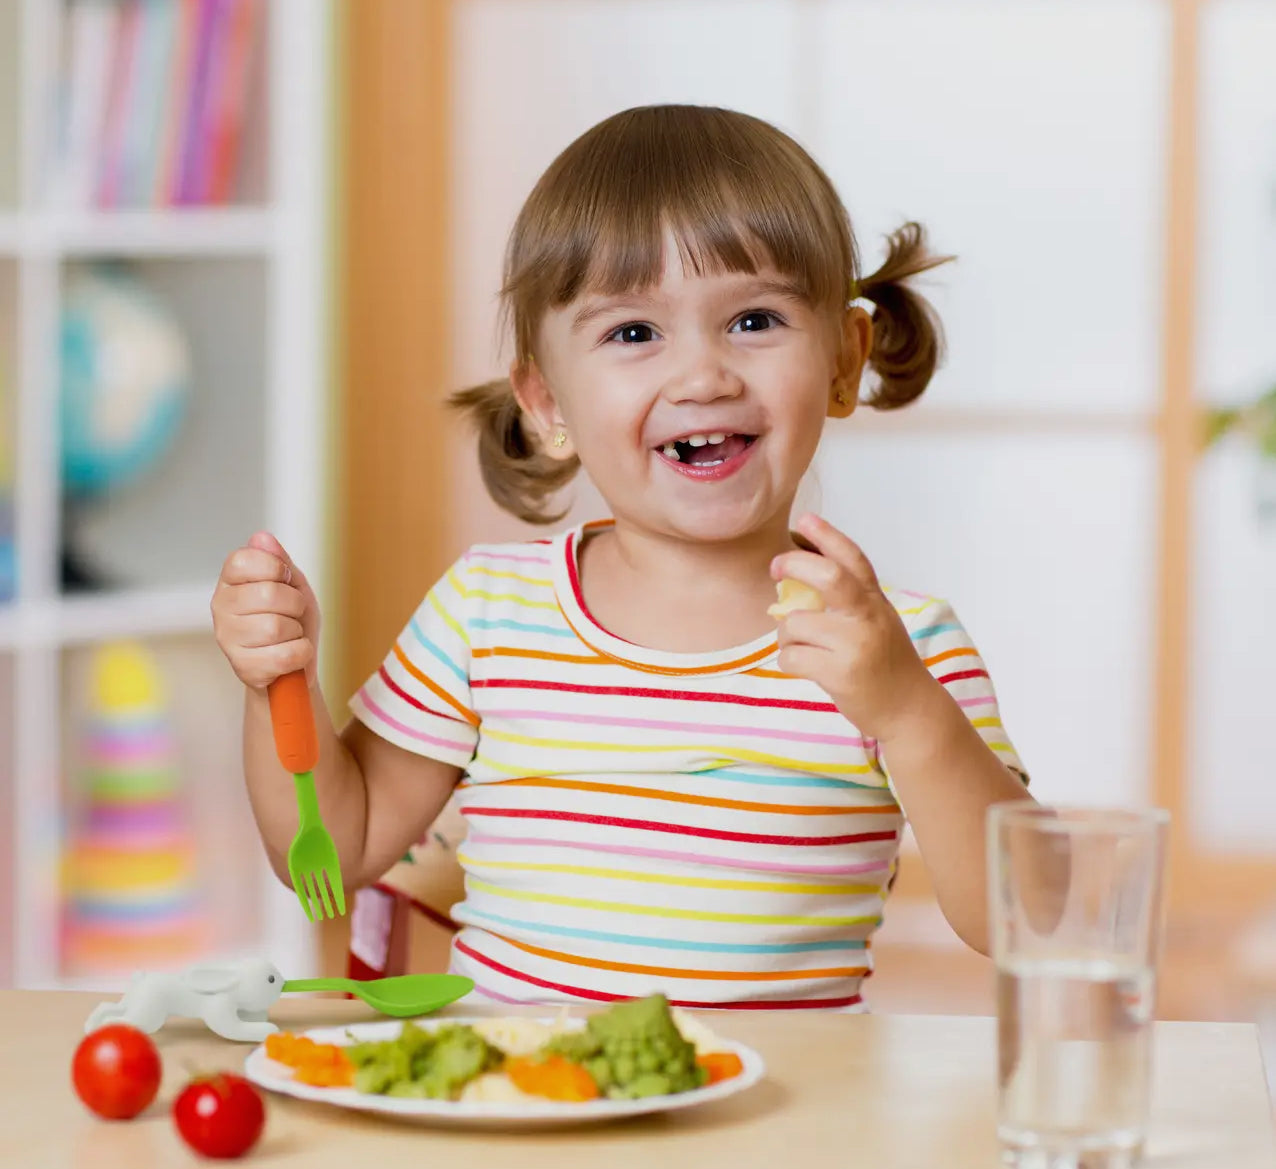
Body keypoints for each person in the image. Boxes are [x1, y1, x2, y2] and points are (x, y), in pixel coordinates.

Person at [212, 105, 1031, 1010]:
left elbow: (1028, 919)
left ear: (844, 360)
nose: (703, 376)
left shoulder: (899, 644)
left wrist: (908, 712)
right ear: (546, 402)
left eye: (754, 319)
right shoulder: (488, 611)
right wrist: (278, 684)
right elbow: (334, 853)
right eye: (635, 333)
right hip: (524, 1089)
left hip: (787, 1098)